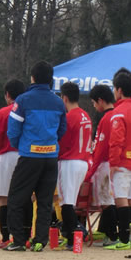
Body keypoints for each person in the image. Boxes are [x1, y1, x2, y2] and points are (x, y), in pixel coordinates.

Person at [4, 61, 67, 252]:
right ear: (51, 79)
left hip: (29, 156)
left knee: (16, 198)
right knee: (45, 201)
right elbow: (62, 130)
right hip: (50, 157)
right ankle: (40, 241)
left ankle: (19, 240)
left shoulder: (23, 100)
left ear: (32, 78)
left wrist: (21, 146)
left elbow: (13, 130)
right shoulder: (58, 102)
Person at [104, 68, 131, 250]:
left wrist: (113, 163)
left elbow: (116, 141)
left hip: (122, 162)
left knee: (121, 200)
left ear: (119, 90)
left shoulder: (119, 112)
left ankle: (123, 240)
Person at [56, 81, 93, 249]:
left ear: (64, 98)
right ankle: (74, 233)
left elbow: (62, 142)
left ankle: (73, 236)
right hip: (83, 161)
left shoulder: (69, 117)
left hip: (69, 161)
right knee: (70, 201)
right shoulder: (86, 115)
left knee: (66, 202)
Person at [0, 78, 26, 247]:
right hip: (24, 155)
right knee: (24, 198)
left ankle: (6, 238)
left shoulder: (2, 112)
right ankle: (24, 235)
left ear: (7, 95)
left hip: (6, 156)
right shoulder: (27, 110)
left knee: (4, 199)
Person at [87, 83, 117, 245]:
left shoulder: (106, 118)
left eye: (93, 102)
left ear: (100, 100)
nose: (93, 106)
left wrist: (92, 170)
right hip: (114, 162)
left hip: (105, 163)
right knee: (110, 200)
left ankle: (111, 235)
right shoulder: (117, 114)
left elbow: (101, 147)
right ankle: (105, 230)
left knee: (106, 201)